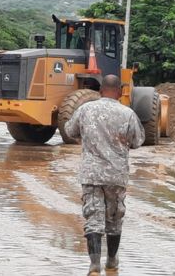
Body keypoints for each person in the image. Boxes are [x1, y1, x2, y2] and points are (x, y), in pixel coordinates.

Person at [64, 75, 145, 275]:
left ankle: (94, 265)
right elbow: (138, 141)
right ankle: (111, 262)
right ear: (119, 91)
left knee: (93, 216)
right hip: (116, 176)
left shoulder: (85, 110)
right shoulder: (128, 114)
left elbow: (69, 131)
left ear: (100, 91)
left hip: (91, 174)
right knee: (115, 218)